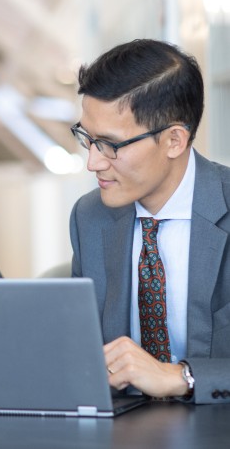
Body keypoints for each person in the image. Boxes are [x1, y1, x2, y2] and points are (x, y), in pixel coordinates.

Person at [70, 38, 230, 404]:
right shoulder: (89, 216)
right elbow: (81, 347)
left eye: (110, 144)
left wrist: (182, 377)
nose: (93, 162)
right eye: (87, 138)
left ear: (174, 140)